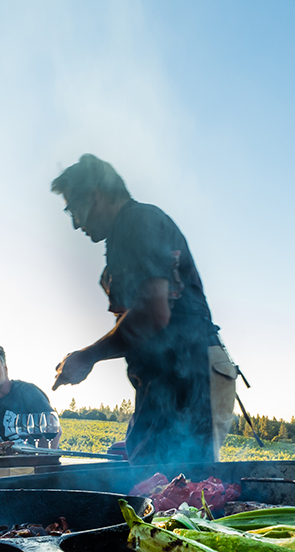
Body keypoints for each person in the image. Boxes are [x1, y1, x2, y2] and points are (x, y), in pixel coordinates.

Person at [49, 154, 238, 464]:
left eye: (74, 209)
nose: (75, 224)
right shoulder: (122, 238)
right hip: (164, 380)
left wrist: (88, 356)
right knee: (151, 477)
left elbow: (154, 314)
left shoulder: (137, 222)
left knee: (185, 484)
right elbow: (137, 326)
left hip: (190, 374)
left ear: (96, 194)